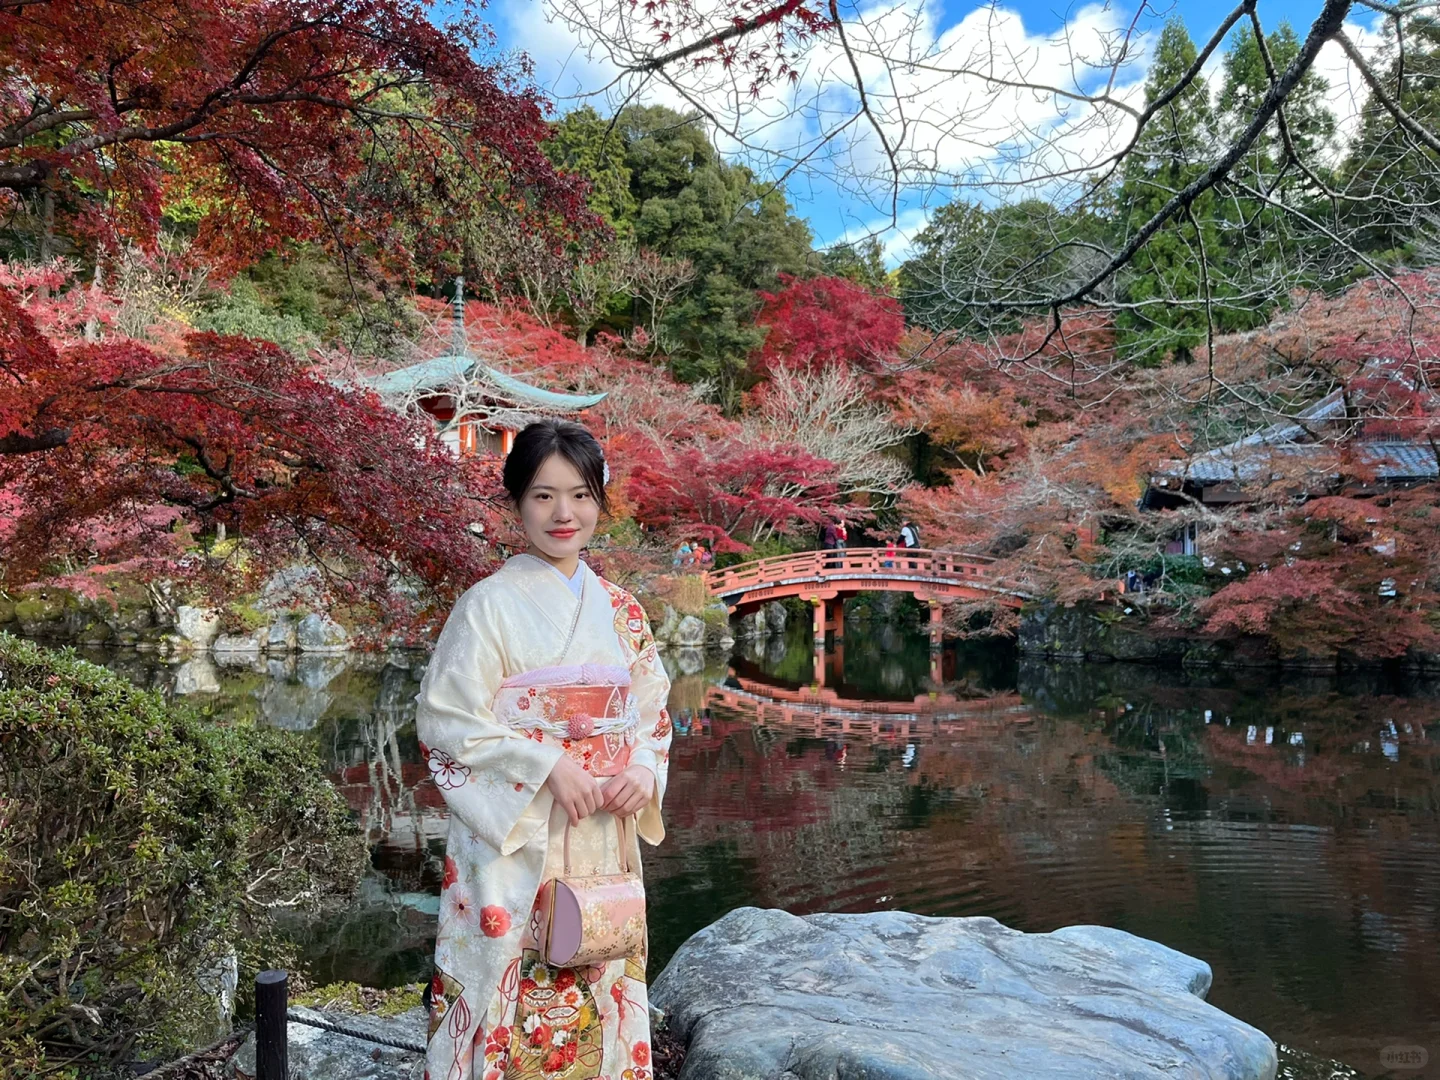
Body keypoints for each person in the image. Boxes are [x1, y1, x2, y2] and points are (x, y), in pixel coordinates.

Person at [416, 419, 672, 1080]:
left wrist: (644, 769)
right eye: (543, 495)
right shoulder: (486, 607)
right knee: (509, 975)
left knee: (603, 969)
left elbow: (651, 710)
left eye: (581, 495)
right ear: (516, 502)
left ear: (600, 501)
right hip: (517, 832)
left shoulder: (623, 610)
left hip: (603, 829)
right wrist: (546, 765)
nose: (565, 513)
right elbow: (446, 721)